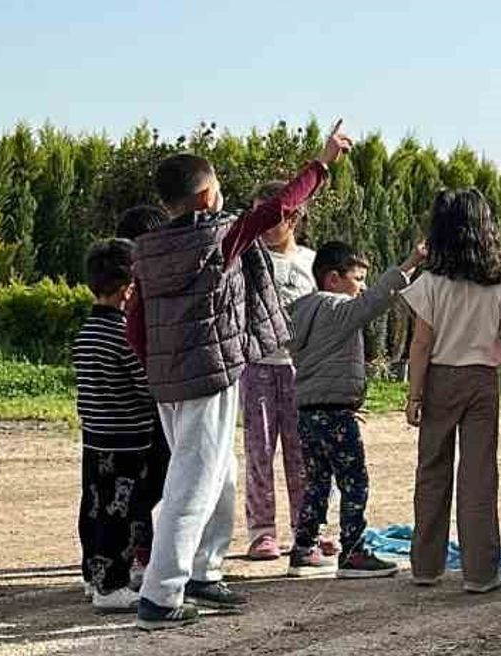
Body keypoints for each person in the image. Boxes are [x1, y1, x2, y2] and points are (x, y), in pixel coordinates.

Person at [130, 122, 353, 630]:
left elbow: (136, 319)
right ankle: (161, 596)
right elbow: (274, 211)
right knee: (193, 482)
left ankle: (204, 571)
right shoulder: (215, 234)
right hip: (208, 376)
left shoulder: (148, 249)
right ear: (208, 195)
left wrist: (152, 366)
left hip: (169, 379)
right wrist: (322, 163)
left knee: (220, 475)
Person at [402, 189, 501, 594]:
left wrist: (414, 395)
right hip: (484, 382)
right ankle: (480, 573)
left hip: (439, 380)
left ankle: (426, 567)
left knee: (432, 472)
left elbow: (421, 343)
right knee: (479, 477)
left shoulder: (430, 282)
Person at [285, 240, 425, 578]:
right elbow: (375, 300)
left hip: (309, 412)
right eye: (358, 278)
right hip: (335, 414)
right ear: (333, 279)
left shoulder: (301, 311)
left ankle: (303, 549)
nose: (361, 285)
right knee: (354, 481)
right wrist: (411, 261)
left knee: (318, 483)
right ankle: (352, 552)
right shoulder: (335, 309)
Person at [73, 238, 161, 613]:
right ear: (128, 290)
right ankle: (113, 585)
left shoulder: (86, 333)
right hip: (128, 440)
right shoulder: (124, 335)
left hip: (95, 439)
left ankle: (94, 576)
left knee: (94, 509)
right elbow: (144, 387)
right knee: (122, 514)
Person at [238, 181, 324, 561]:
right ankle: (262, 531)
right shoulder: (247, 258)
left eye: (275, 215)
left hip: (301, 369)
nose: (268, 224)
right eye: (260, 215)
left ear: (295, 216)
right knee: (259, 451)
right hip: (257, 365)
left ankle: (308, 528)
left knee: (303, 452)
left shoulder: (312, 261)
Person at [114, 205, 171, 586]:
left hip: (134, 409)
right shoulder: (140, 293)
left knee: (143, 485)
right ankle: (142, 555)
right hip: (151, 402)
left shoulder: (128, 294)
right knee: (151, 484)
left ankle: (133, 555)